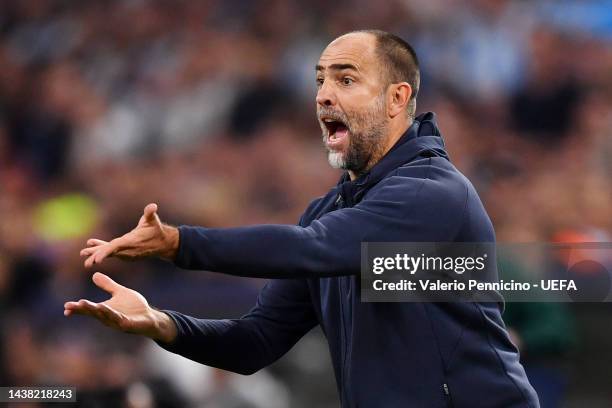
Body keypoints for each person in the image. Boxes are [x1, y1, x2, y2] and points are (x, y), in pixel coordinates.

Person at [66, 30, 540, 407]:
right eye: (319, 81)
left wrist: (178, 243)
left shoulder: (432, 194)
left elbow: (311, 247)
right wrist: (158, 323)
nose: (323, 96)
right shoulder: (329, 213)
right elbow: (255, 341)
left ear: (397, 99)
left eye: (346, 80)